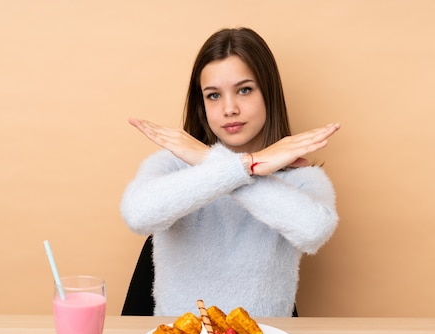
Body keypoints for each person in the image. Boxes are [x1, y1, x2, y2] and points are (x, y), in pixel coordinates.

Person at [121, 27, 340, 317]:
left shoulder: (301, 177)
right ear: (202, 105)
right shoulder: (172, 165)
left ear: (269, 94)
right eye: (213, 96)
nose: (229, 108)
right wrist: (248, 165)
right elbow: (138, 215)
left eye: (244, 90)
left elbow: (314, 231)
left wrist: (220, 164)